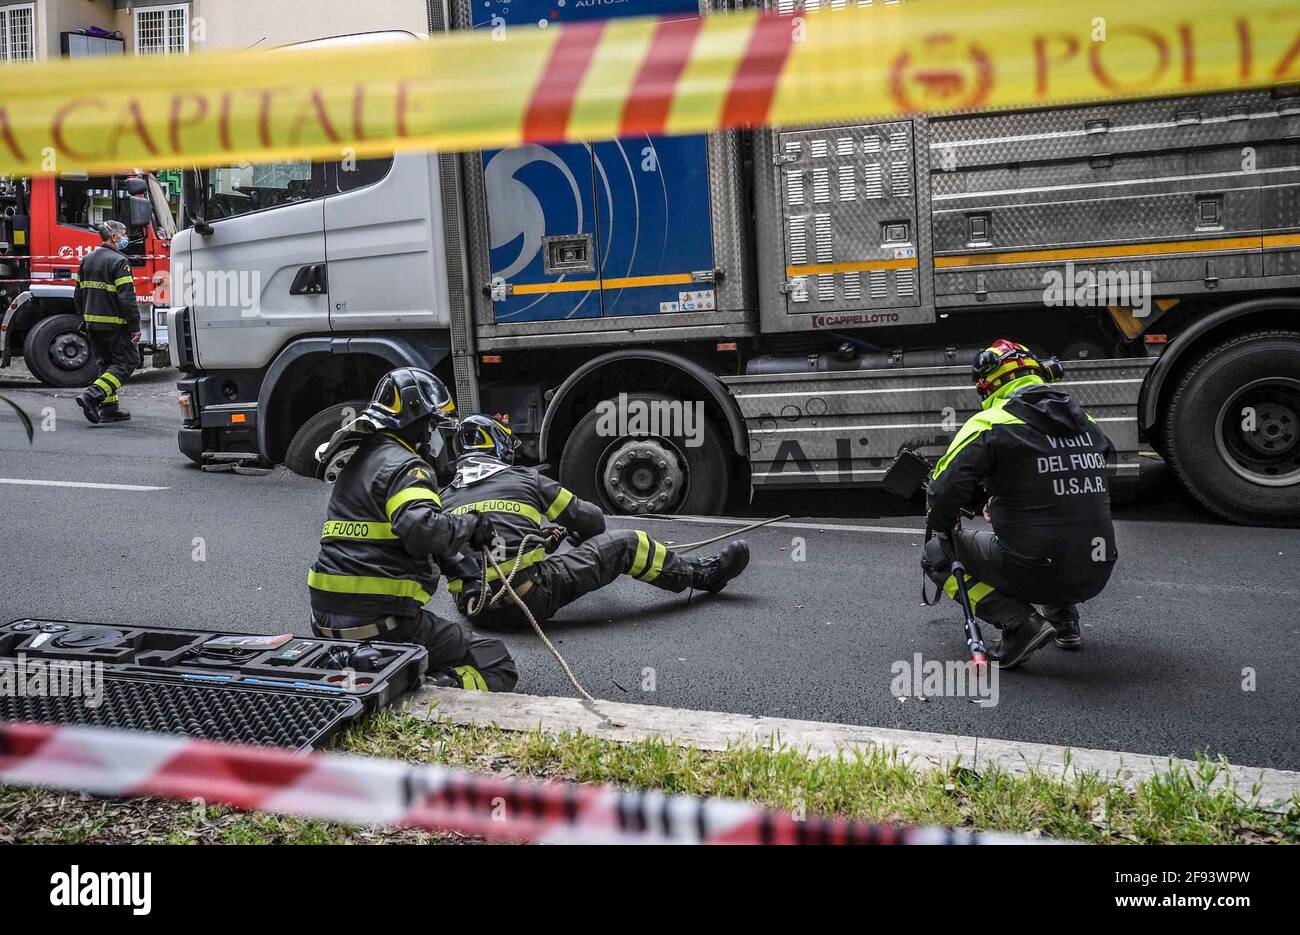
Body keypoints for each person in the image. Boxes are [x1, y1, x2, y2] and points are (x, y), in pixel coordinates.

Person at [307, 368, 517, 691]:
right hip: (383, 626)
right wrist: (472, 523)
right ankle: (425, 692)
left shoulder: (359, 460)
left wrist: (461, 566)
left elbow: (400, 534)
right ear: (416, 420)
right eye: (432, 424)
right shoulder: (408, 466)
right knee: (494, 661)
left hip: (325, 623)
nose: (434, 434)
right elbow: (419, 527)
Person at [440, 415, 749, 628]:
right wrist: (577, 532)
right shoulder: (526, 480)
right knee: (628, 544)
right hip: (529, 599)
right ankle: (704, 575)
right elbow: (593, 521)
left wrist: (541, 539)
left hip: (476, 610)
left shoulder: (441, 499)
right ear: (499, 448)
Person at [921, 339, 1118, 668]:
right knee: (1058, 530)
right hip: (1098, 567)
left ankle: (1019, 624)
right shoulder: (1087, 422)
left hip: (1037, 567)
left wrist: (942, 525)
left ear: (990, 385)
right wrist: (1001, 497)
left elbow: (943, 492)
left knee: (937, 555)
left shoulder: (991, 424)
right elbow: (1071, 482)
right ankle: (1064, 622)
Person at [74, 221, 140, 424]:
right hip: (115, 325)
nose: (126, 238)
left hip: (92, 324)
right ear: (114, 237)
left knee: (106, 364)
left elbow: (78, 294)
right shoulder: (120, 261)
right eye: (124, 234)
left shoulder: (86, 260)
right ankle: (91, 395)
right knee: (127, 362)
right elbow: (127, 299)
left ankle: (109, 409)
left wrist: (84, 319)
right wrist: (134, 327)